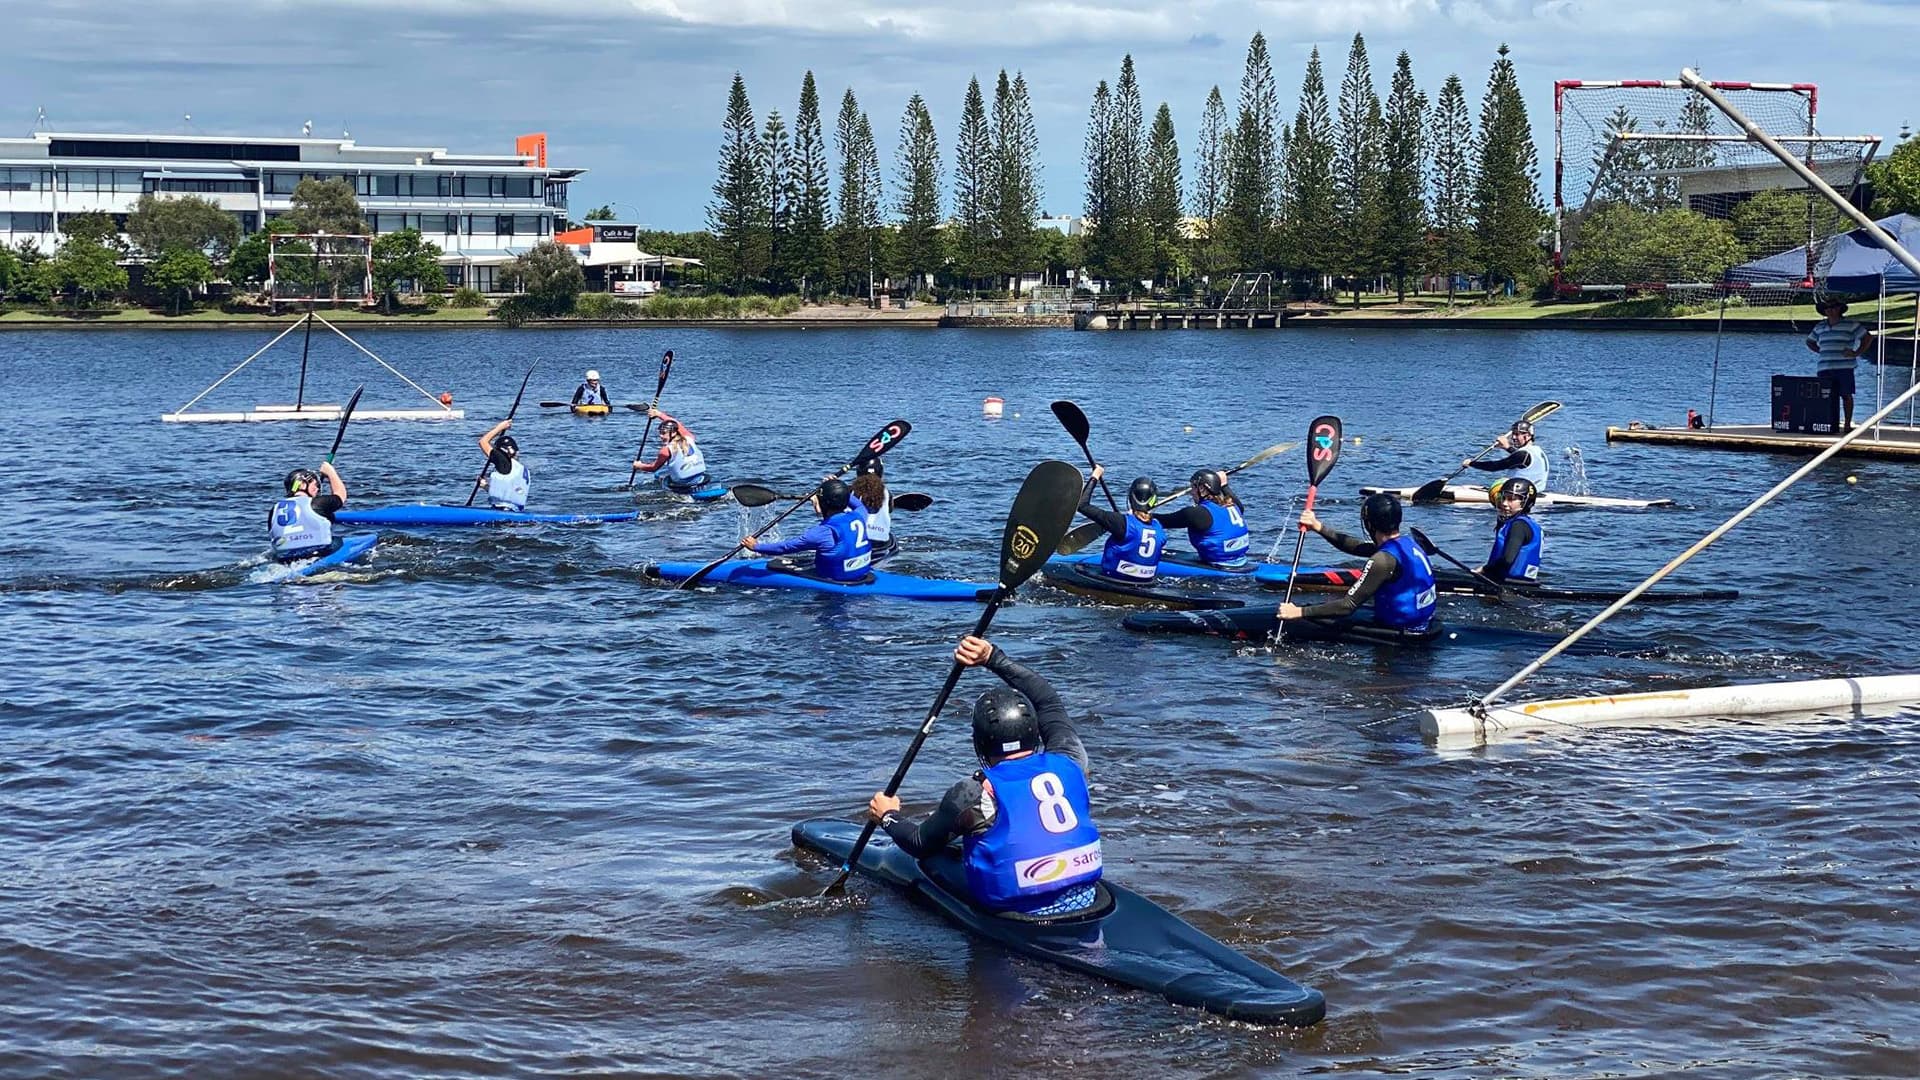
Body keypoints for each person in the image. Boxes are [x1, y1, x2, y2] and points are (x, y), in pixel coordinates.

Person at [867, 634, 1102, 917]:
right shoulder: (1072, 762)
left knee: (938, 856)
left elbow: (918, 843)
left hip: (1016, 913)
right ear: (1035, 731)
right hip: (1086, 897)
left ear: (980, 742)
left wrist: (887, 817)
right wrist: (993, 657)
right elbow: (1048, 702)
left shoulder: (973, 793)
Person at [1276, 492, 1438, 633]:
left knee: (1329, 608)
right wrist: (1318, 527)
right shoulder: (1408, 544)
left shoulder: (1382, 560)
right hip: (1423, 622)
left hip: (1401, 631)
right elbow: (1358, 547)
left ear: (1369, 524)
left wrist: (1298, 612)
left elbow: (1347, 606)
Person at [741, 477, 871, 581]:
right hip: (862, 573)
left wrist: (756, 547)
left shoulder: (822, 533)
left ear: (822, 503)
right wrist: (838, 488)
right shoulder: (860, 515)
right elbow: (857, 504)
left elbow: (785, 547)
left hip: (836, 578)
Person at [1077, 464, 1166, 583]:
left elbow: (1082, 505)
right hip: (1146, 583)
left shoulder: (1120, 522)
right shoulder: (1158, 527)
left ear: (1130, 498)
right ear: (1154, 500)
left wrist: (1095, 476)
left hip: (1114, 580)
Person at [1153, 467, 1250, 567]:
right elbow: (1239, 505)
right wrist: (1224, 485)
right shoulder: (1233, 506)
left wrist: (1140, 511)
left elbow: (1163, 521)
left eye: (1193, 488)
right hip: (1241, 559)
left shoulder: (1197, 513)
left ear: (1202, 489)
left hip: (1220, 564)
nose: (1191, 492)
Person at [1806, 296, 1872, 432]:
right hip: (1824, 367)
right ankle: (1828, 423)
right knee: (1825, 396)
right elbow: (1809, 342)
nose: (1830, 310)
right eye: (1827, 308)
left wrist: (1856, 352)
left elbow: (1868, 337)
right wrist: (1821, 351)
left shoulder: (1851, 324)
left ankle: (1847, 424)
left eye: (1833, 307)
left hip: (1844, 367)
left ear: (1840, 309)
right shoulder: (1820, 326)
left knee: (1846, 395)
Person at [269, 461, 348, 562]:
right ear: (302, 485)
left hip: (284, 557)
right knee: (337, 541)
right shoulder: (317, 503)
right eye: (315, 485)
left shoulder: (274, 509)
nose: (317, 489)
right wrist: (330, 472)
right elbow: (341, 495)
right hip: (317, 553)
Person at [1476, 477, 1543, 584]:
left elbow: (1507, 560)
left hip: (1507, 583)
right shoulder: (1525, 523)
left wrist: (1484, 570)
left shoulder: (1519, 526)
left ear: (1526, 502)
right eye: (1503, 498)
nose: (1504, 503)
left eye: (1511, 499)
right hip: (1520, 582)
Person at [632, 407, 709, 493]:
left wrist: (639, 466)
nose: (661, 436)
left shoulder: (666, 450)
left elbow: (653, 468)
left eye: (664, 433)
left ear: (673, 433)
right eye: (660, 433)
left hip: (683, 482)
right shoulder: (689, 438)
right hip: (700, 477)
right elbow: (677, 424)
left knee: (664, 478)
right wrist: (659, 414)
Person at [1464, 418, 1550, 491]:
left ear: (1527, 436)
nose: (1513, 437)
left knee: (1499, 482)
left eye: (1517, 434)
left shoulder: (1522, 455)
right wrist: (1507, 447)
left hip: (1520, 493)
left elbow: (1495, 466)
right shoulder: (1537, 450)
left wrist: (1472, 463)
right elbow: (1521, 460)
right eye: (1513, 434)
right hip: (1535, 490)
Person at [478, 418, 530, 511]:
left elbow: (483, 442)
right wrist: (486, 486)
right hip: (516, 511)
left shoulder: (503, 461)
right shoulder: (520, 468)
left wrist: (500, 427)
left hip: (502, 513)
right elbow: (507, 493)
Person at [851, 460, 898, 561]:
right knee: (891, 536)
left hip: (855, 542)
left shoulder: (850, 492)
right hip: (880, 543)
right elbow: (889, 510)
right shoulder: (887, 492)